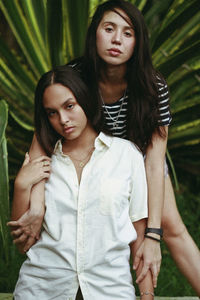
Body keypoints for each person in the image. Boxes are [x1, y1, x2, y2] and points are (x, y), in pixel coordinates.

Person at [8, 0, 200, 295]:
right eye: (108, 29)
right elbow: (41, 146)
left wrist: (153, 233)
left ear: (138, 42)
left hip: (140, 158)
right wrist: (36, 206)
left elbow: (154, 158)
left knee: (171, 228)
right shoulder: (75, 74)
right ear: (94, 33)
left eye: (127, 33)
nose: (116, 40)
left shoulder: (153, 85)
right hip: (85, 154)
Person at [12, 65, 154, 300]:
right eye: (52, 112)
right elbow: (22, 244)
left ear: (85, 100)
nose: (63, 120)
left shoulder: (126, 156)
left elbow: (138, 239)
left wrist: (147, 295)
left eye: (69, 106)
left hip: (109, 291)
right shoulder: (42, 162)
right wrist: (21, 185)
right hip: (42, 290)